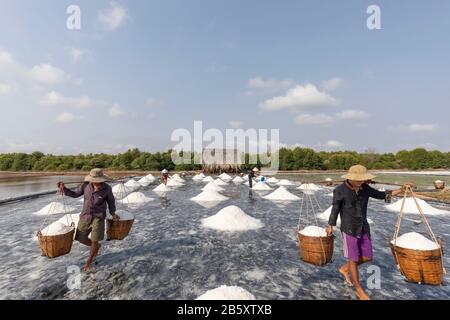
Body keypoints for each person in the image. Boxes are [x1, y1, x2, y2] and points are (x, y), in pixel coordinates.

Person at [326, 164, 411, 300]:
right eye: (358, 179)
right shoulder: (340, 190)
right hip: (349, 229)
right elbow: (335, 208)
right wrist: (330, 224)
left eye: (362, 179)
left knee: (368, 256)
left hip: (363, 227)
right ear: (350, 178)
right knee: (353, 259)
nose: (361, 182)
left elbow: (381, 195)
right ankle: (359, 289)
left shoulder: (365, 188)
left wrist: (401, 189)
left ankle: (345, 268)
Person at [57, 168, 119, 272]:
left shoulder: (107, 189)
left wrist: (113, 213)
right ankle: (96, 246)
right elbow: (75, 194)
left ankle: (89, 261)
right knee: (81, 238)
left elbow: (111, 202)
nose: (98, 182)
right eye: (95, 180)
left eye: (100, 180)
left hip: (98, 217)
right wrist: (64, 188)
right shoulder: (85, 186)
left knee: (95, 239)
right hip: (85, 216)